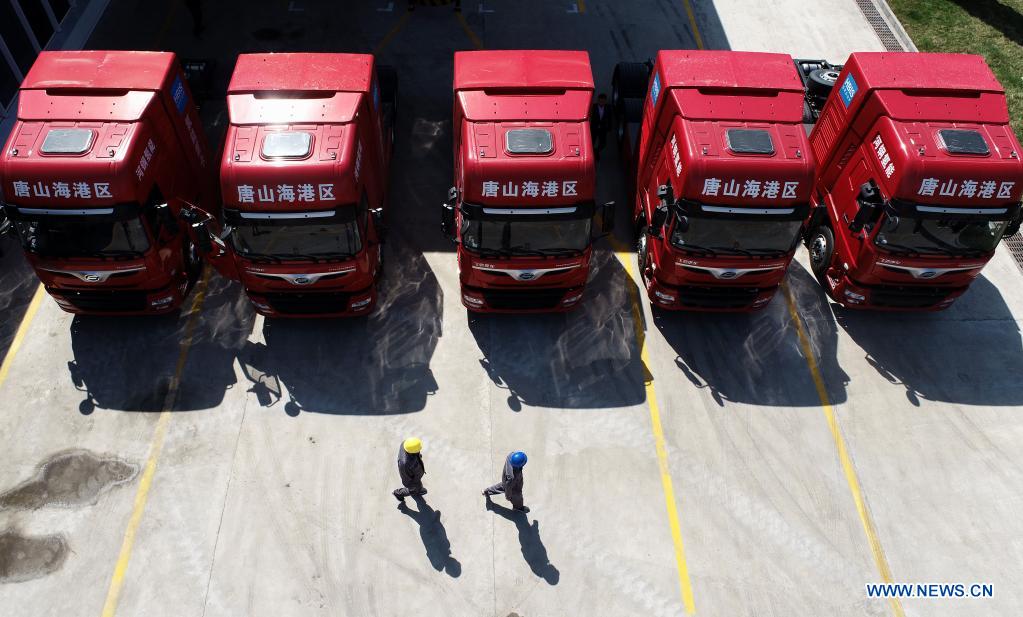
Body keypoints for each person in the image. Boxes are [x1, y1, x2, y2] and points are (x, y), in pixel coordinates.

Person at [590, 93, 612, 161]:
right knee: (592, 142)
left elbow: (610, 118)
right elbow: (590, 117)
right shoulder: (593, 107)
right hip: (594, 128)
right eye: (600, 101)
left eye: (603, 101)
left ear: (605, 101)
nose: (601, 102)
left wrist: (609, 127)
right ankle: (594, 154)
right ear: (598, 100)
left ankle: (596, 151)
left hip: (603, 128)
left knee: (603, 143)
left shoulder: (608, 108)